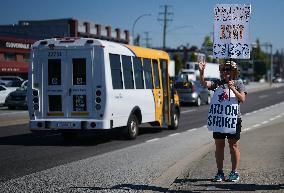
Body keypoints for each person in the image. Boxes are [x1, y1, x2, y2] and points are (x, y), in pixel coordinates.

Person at [199, 60, 247, 182]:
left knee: (233, 145)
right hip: (219, 120)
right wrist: (201, 72)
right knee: (219, 146)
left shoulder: (239, 83)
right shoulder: (218, 83)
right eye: (223, 69)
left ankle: (234, 172)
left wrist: (233, 88)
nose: (225, 72)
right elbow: (204, 84)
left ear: (234, 71)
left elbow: (242, 98)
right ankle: (220, 172)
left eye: (228, 69)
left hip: (233, 119)